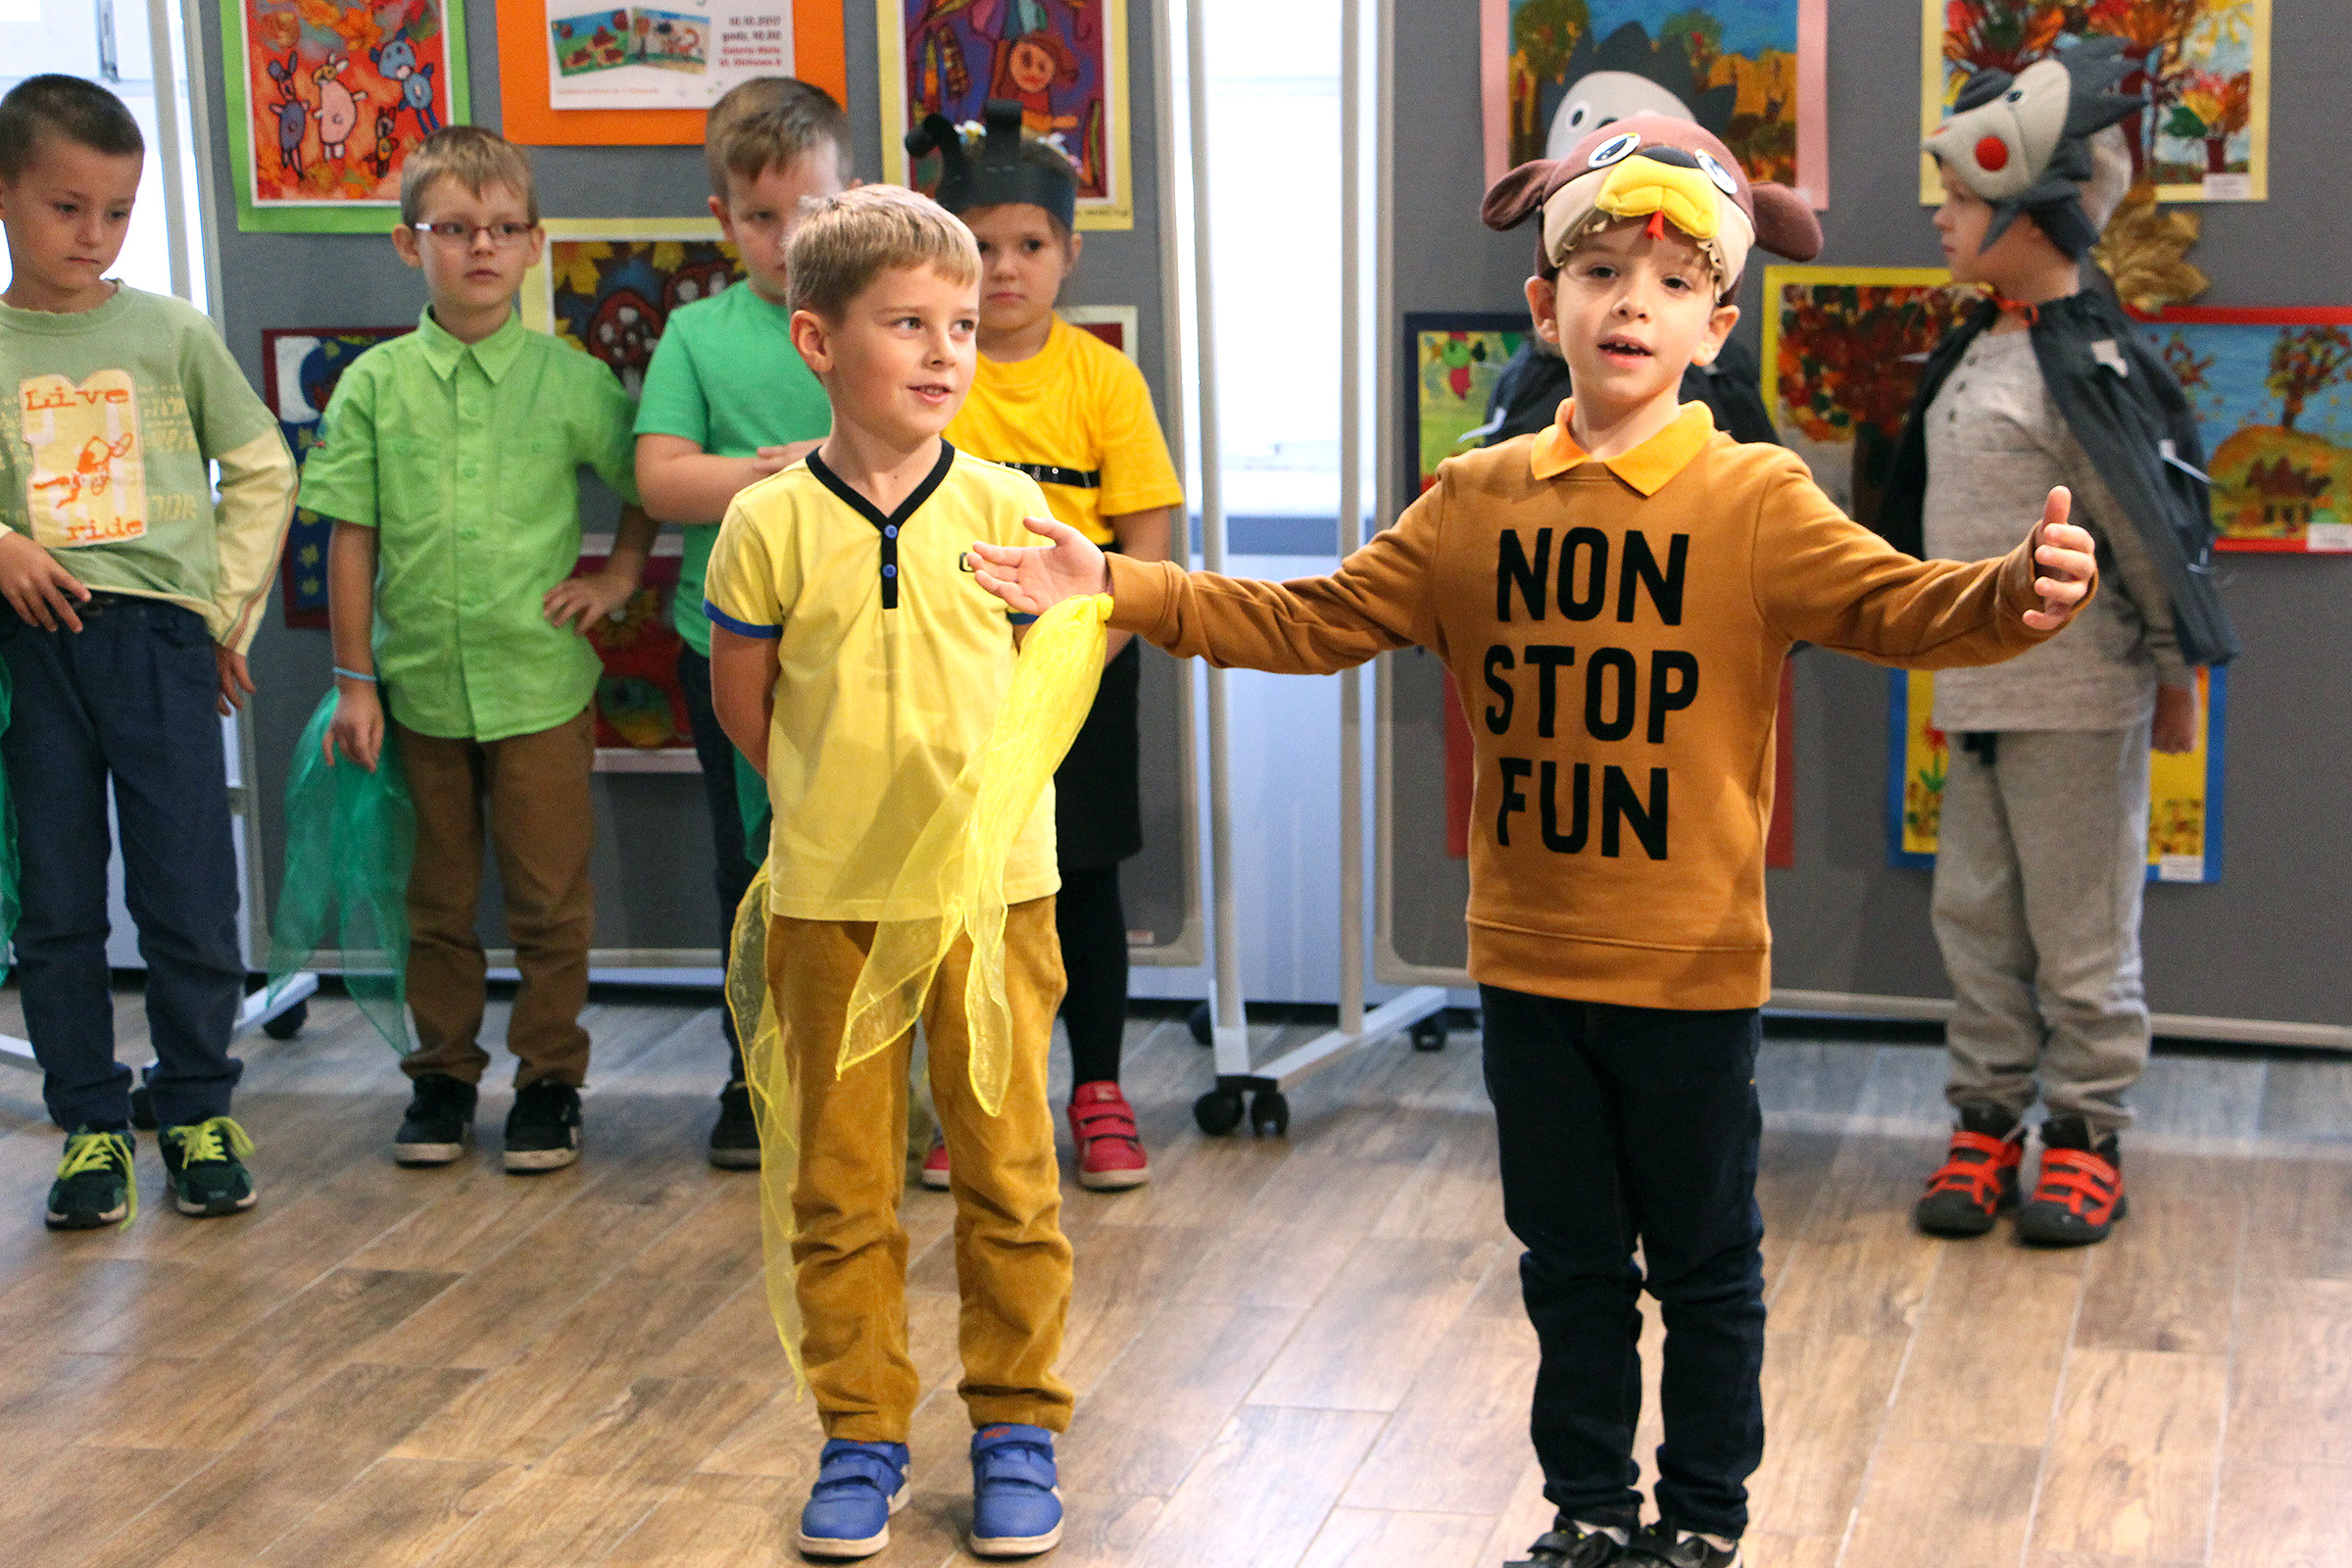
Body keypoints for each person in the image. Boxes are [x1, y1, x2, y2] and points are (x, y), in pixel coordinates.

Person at [971, 116, 2101, 1568]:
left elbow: (1902, 605)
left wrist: (2018, 592)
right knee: (1567, 1265)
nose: (1633, 303)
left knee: (1704, 1266)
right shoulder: (1476, 499)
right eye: (1602, 272)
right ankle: (1589, 1511)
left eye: (1673, 282)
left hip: (1691, 973)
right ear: (1544, 306)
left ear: (1715, 329)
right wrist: (1114, 584)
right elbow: (1310, 619)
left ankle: (1702, 1525)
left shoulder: (1757, 499)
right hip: (1530, 970)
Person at [704, 184, 1076, 1560]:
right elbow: (745, 706)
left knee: (1009, 1175)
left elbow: (1051, 688)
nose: (944, 351)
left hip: (994, 900)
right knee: (842, 1185)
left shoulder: (1009, 506)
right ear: (818, 340)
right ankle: (860, 1433)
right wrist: (830, 811)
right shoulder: (765, 523)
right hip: (829, 905)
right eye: (907, 323)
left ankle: (1018, 1425)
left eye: (960, 325)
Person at [1885, 37, 2237, 1248]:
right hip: (1979, 699)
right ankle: (1987, 1115)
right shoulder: (1976, 348)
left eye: (1961, 197)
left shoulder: (2084, 365)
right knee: (1976, 920)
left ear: (2031, 214)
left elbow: (2146, 527)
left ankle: (2087, 1129)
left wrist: (2178, 678)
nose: (1941, 216)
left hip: (2079, 702)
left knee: (2083, 933)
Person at [300, 125, 653, 1175]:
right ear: (411, 245)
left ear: (536, 243)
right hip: (414, 693)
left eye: (503, 228)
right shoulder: (375, 385)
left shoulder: (571, 382)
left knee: (549, 900)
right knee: (435, 901)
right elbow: (350, 536)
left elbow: (647, 484)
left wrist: (618, 578)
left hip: (539, 684)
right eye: (454, 229)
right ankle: (444, 1074)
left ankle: (549, 1080)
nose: (482, 247)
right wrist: (354, 682)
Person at [0, 75, 296, 1229]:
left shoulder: (169, 332)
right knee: (59, 897)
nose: (94, 234)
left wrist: (219, 616)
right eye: (66, 207)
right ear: (6, 194)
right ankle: (88, 1122)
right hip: (33, 648)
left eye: (117, 211)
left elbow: (262, 465)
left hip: (161, 642)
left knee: (187, 888)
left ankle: (197, 1108)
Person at [909, 100, 1182, 1193]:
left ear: (1069, 252)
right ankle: (978, 1096)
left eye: (1029, 245)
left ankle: (1099, 1087)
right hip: (952, 681)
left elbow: (1147, 541)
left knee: (1082, 883)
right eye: (980, 248)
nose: (1005, 269)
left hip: (1082, 677)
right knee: (966, 889)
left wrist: (1078, 657)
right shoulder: (932, 375)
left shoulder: (1103, 379)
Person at [634, 76, 850, 1169]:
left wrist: (832, 469)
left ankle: (864, 1077)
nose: (786, 238)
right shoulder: (696, 333)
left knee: (864, 867)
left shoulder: (874, 312)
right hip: (727, 647)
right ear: (722, 217)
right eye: (760, 216)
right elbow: (661, 479)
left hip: (864, 648)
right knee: (754, 867)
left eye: (808, 210)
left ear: (847, 197)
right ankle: (755, 1074)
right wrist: (775, 479)